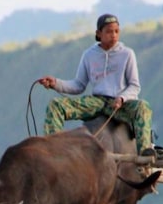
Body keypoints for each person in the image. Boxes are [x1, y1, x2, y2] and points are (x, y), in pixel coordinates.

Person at [37, 13, 156, 156]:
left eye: (116, 31)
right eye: (109, 31)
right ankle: (53, 150)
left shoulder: (127, 54)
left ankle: (144, 152)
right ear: (99, 33)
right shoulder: (89, 55)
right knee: (55, 105)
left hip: (120, 104)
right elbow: (78, 85)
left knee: (143, 107)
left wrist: (122, 98)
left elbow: (134, 86)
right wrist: (55, 83)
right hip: (97, 102)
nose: (114, 35)